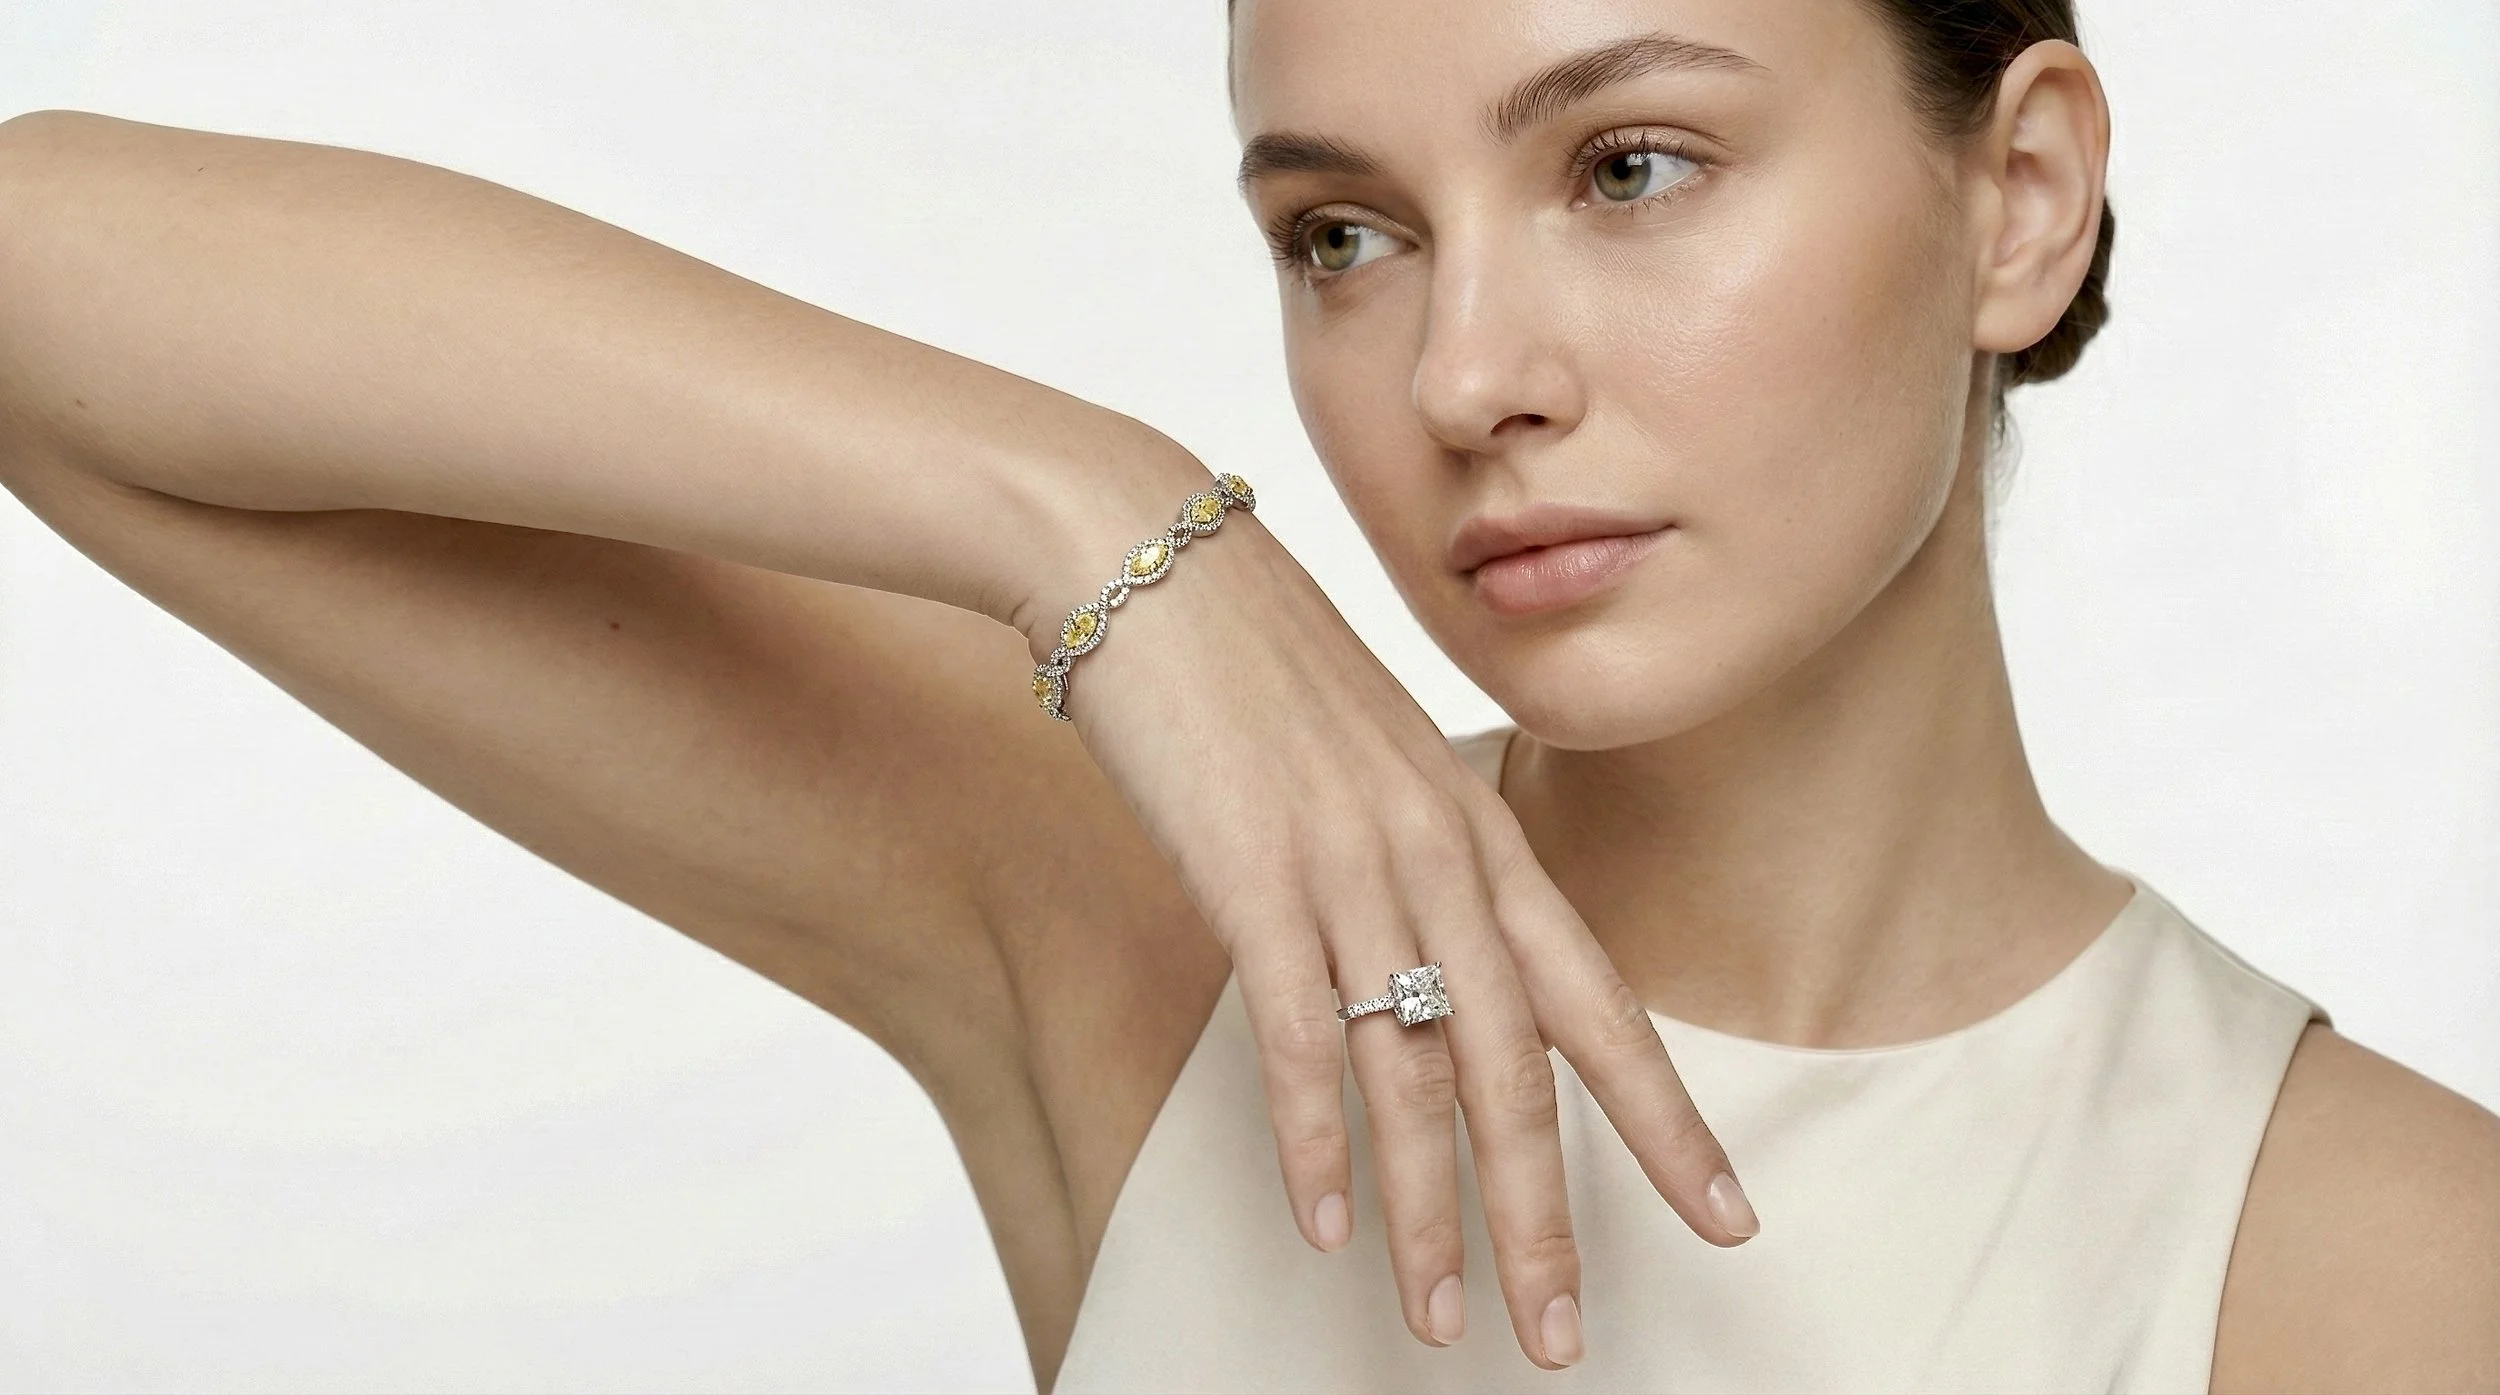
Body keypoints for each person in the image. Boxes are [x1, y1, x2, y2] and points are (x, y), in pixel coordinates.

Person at [0, 0, 2493, 1389]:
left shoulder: (2383, 1262)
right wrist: (1092, 518)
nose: (1464, 372)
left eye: (1626, 166)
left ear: (2014, 196)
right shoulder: (1147, 935)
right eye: (1340, 233)